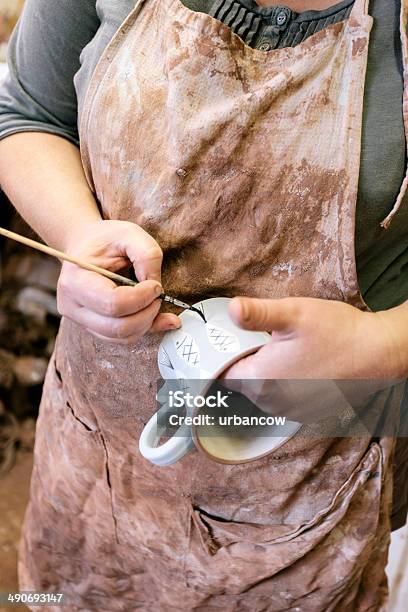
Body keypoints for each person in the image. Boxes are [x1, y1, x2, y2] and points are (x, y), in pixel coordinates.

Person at [0, 0, 408, 609]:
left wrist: (381, 346)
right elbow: (26, 113)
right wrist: (77, 235)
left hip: (304, 489)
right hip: (97, 454)